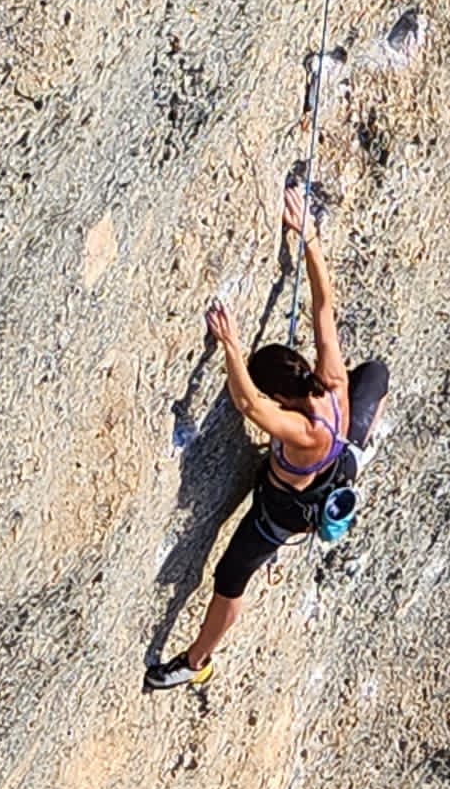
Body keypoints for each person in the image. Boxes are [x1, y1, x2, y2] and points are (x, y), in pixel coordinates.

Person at [146, 175, 386, 692]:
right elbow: (324, 306)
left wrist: (232, 348)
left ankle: (195, 661)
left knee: (230, 578)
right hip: (339, 454)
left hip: (283, 509)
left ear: (282, 396)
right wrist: (308, 238)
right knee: (376, 375)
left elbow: (249, 405)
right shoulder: (332, 380)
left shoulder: (302, 431)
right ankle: (355, 456)